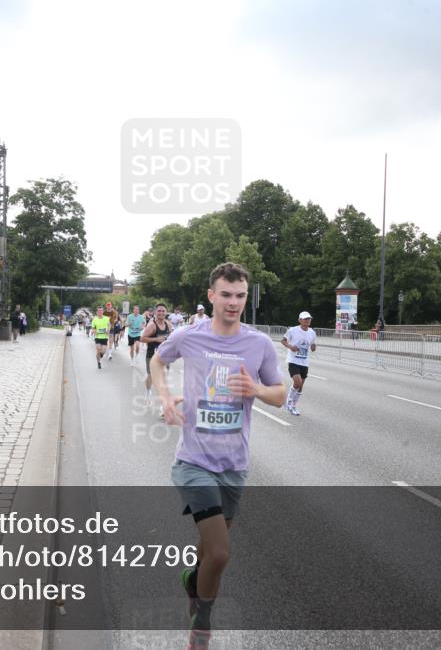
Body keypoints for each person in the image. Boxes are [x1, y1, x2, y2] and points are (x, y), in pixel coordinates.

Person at [152, 263, 286, 648]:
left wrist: (256, 390)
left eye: (240, 295)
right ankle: (202, 623)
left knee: (210, 548)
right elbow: (158, 361)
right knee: (222, 553)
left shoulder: (258, 343)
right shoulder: (188, 336)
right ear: (211, 295)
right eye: (225, 294)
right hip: (193, 462)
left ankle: (193, 581)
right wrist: (164, 397)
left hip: (234, 465)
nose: (233, 302)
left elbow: (281, 396)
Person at [280, 311, 317, 415]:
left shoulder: (312, 332)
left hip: (304, 361)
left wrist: (313, 347)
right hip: (293, 360)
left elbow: (313, 346)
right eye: (305, 319)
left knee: (301, 386)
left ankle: (293, 406)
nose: (307, 320)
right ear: (300, 320)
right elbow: (283, 341)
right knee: (298, 382)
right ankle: (289, 401)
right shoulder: (292, 330)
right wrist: (291, 347)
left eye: (309, 319)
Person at [140, 302, 172, 403]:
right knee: (151, 377)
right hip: (152, 356)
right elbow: (142, 338)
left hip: (164, 356)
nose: (161, 313)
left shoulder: (168, 325)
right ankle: (147, 391)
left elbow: (170, 338)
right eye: (159, 311)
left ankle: (164, 403)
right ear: (155, 312)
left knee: (163, 377)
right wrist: (156, 339)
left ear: (166, 312)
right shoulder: (152, 325)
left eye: (163, 311)